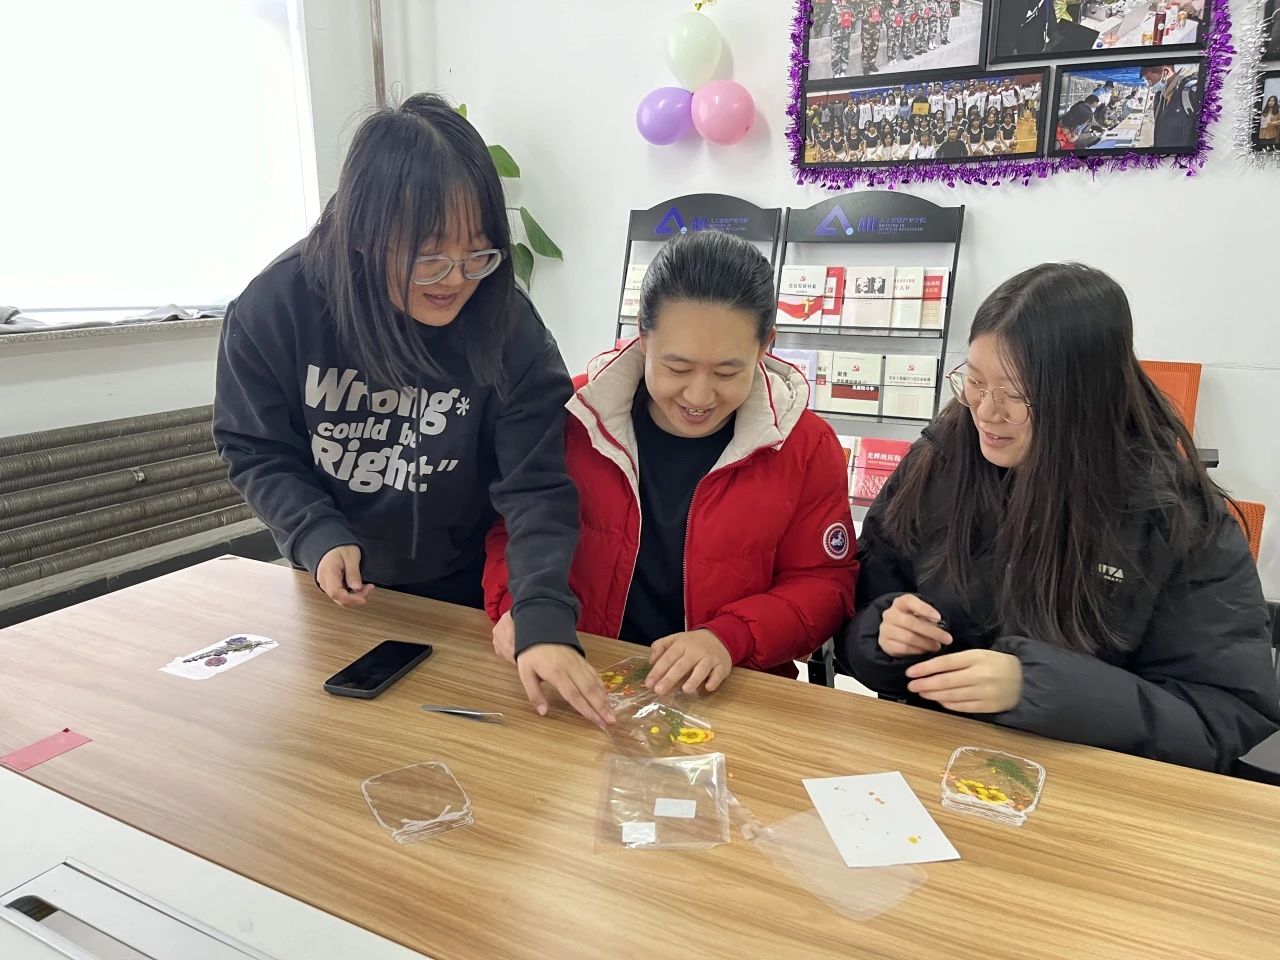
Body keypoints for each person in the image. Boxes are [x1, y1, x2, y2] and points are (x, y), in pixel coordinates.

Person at [213, 93, 612, 725]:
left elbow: (535, 486)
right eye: (429, 257)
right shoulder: (276, 309)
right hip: (336, 587)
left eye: (478, 252)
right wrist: (312, 532)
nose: (455, 279)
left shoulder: (506, 324)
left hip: (464, 589)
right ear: (364, 237)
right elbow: (255, 446)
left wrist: (539, 611)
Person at [837, 263, 1280, 774]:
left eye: (1017, 394)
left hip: (1093, 786)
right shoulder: (940, 461)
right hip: (935, 764)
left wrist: (1039, 688)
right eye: (975, 381)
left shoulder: (1172, 516)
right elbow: (854, 613)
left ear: (1084, 398)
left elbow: (1223, 714)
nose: (986, 412)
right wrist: (882, 636)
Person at [485, 231, 858, 695]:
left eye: (727, 372)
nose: (698, 396)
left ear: (766, 346)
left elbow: (825, 584)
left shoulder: (805, 446)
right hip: (580, 671)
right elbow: (511, 529)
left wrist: (731, 637)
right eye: (677, 368)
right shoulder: (575, 415)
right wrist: (517, 606)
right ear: (643, 336)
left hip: (727, 689)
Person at [1140, 64, 1201, 150]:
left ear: (1165, 72)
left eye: (1150, 80)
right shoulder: (1160, 95)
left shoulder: (1191, 91)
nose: (1150, 85)